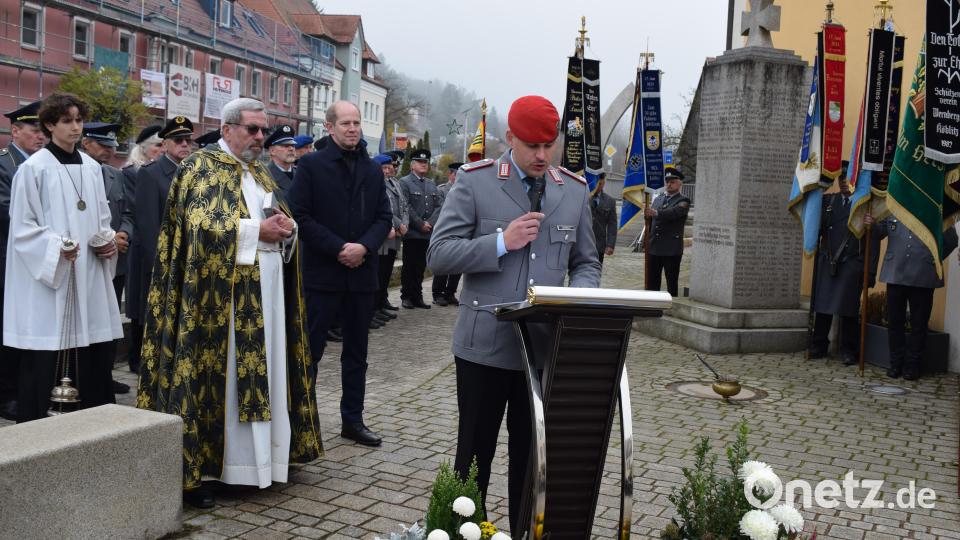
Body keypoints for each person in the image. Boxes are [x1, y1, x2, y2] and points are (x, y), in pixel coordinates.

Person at [427, 95, 601, 532]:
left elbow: (587, 262)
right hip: (484, 346)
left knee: (532, 456)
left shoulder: (573, 191)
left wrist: (575, 302)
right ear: (510, 140)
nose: (543, 156)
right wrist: (502, 242)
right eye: (532, 146)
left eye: (550, 145)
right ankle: (463, 532)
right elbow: (440, 254)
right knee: (473, 456)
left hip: (543, 349)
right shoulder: (475, 181)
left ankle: (525, 530)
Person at [137, 98, 322, 508]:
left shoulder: (258, 172)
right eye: (252, 129)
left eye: (263, 130)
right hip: (220, 303)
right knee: (226, 381)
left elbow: (278, 218)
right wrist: (260, 231)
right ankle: (215, 468)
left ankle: (268, 462)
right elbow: (200, 229)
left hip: (269, 293)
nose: (260, 137)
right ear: (226, 129)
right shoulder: (198, 169)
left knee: (270, 370)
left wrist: (287, 230)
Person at [4, 92, 123, 422]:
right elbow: (23, 228)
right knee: (50, 348)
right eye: (67, 121)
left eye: (79, 120)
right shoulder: (33, 170)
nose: (75, 128)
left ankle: (94, 422)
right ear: (49, 125)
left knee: (92, 352)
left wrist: (106, 241)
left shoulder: (91, 167)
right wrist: (58, 246)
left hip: (89, 272)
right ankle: (40, 424)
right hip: (52, 276)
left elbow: (101, 218)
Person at [287, 101, 392, 447]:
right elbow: (299, 215)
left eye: (357, 123)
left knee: (357, 353)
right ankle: (300, 419)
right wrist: (338, 248)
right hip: (322, 275)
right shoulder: (312, 166)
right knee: (311, 351)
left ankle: (353, 420)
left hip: (362, 275)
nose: (353, 128)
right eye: (345, 123)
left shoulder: (372, 169)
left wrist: (363, 247)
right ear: (329, 127)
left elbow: (383, 217)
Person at [126, 116, 193, 375]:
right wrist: (162, 263)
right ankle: (149, 364)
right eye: (178, 140)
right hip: (161, 262)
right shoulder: (151, 174)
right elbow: (148, 224)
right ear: (164, 144)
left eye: (188, 140)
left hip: (188, 257)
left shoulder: (192, 172)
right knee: (152, 316)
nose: (185, 145)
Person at [81, 122, 135, 394]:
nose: (108, 151)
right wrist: (106, 238)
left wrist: (123, 233)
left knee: (111, 320)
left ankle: (105, 375)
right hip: (87, 258)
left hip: (116, 259)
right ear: (86, 142)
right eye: (102, 145)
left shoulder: (115, 175)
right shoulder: (73, 173)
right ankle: (79, 378)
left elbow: (127, 211)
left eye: (111, 146)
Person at [870, 214, 958, 380]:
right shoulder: (895, 206)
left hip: (923, 275)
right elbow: (878, 231)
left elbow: (952, 240)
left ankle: (912, 365)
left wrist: (934, 258)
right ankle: (896, 363)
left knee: (919, 324)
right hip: (895, 273)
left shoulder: (932, 209)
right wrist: (870, 223)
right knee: (895, 322)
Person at [0, 100, 44, 421]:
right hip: (8, 258)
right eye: (33, 130)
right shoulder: (5, 164)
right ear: (15, 131)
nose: (40, 136)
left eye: (43, 130)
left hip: (38, 256)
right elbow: (7, 210)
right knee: (7, 329)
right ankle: (6, 394)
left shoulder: (45, 164)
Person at [808, 181, 879, 365]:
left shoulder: (865, 205)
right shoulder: (828, 201)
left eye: (848, 181)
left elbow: (875, 241)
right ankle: (819, 344)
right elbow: (816, 227)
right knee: (822, 306)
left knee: (849, 310)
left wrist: (870, 272)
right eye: (841, 181)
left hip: (851, 262)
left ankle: (849, 350)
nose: (844, 185)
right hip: (828, 258)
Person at [399, 148, 442, 309]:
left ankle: (417, 296)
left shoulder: (431, 184)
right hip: (412, 232)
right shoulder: (405, 182)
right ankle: (407, 296)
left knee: (420, 267)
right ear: (412, 165)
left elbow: (439, 206)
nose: (424, 165)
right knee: (409, 265)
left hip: (427, 233)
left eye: (426, 162)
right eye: (420, 162)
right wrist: (420, 224)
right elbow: (405, 205)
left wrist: (430, 222)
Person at [372, 153, 408, 324]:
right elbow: (384, 209)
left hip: (395, 233)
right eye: (384, 168)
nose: (388, 171)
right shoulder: (374, 185)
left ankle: (380, 304)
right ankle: (373, 308)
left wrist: (404, 224)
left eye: (389, 167)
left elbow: (403, 205)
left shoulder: (394, 183)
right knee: (378, 272)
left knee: (385, 271)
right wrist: (396, 225)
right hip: (383, 234)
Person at [644, 167, 690, 297]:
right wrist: (647, 216)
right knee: (652, 282)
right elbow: (652, 221)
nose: (669, 184)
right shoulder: (658, 199)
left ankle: (671, 307)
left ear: (680, 183)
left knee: (671, 282)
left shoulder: (683, 200)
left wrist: (656, 213)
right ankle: (652, 305)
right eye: (667, 181)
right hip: (655, 247)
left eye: (672, 182)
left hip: (671, 249)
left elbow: (674, 213)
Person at [430, 161, 463, 306]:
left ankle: (450, 292)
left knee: (459, 263)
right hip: (446, 230)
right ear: (451, 175)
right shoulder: (442, 190)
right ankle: (438, 293)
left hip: (461, 230)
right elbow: (440, 210)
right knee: (444, 261)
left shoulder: (466, 190)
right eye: (458, 174)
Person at [590, 171, 618, 264]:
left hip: (599, 246)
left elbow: (612, 225)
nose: (598, 186)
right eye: (596, 182)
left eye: (600, 183)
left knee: (596, 273)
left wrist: (610, 245)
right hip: (581, 244)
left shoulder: (610, 201)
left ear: (603, 183)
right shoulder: (583, 197)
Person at [265, 125, 297, 197]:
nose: (291, 149)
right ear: (272, 151)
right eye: (285, 146)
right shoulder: (265, 175)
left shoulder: (300, 174)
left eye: (293, 145)